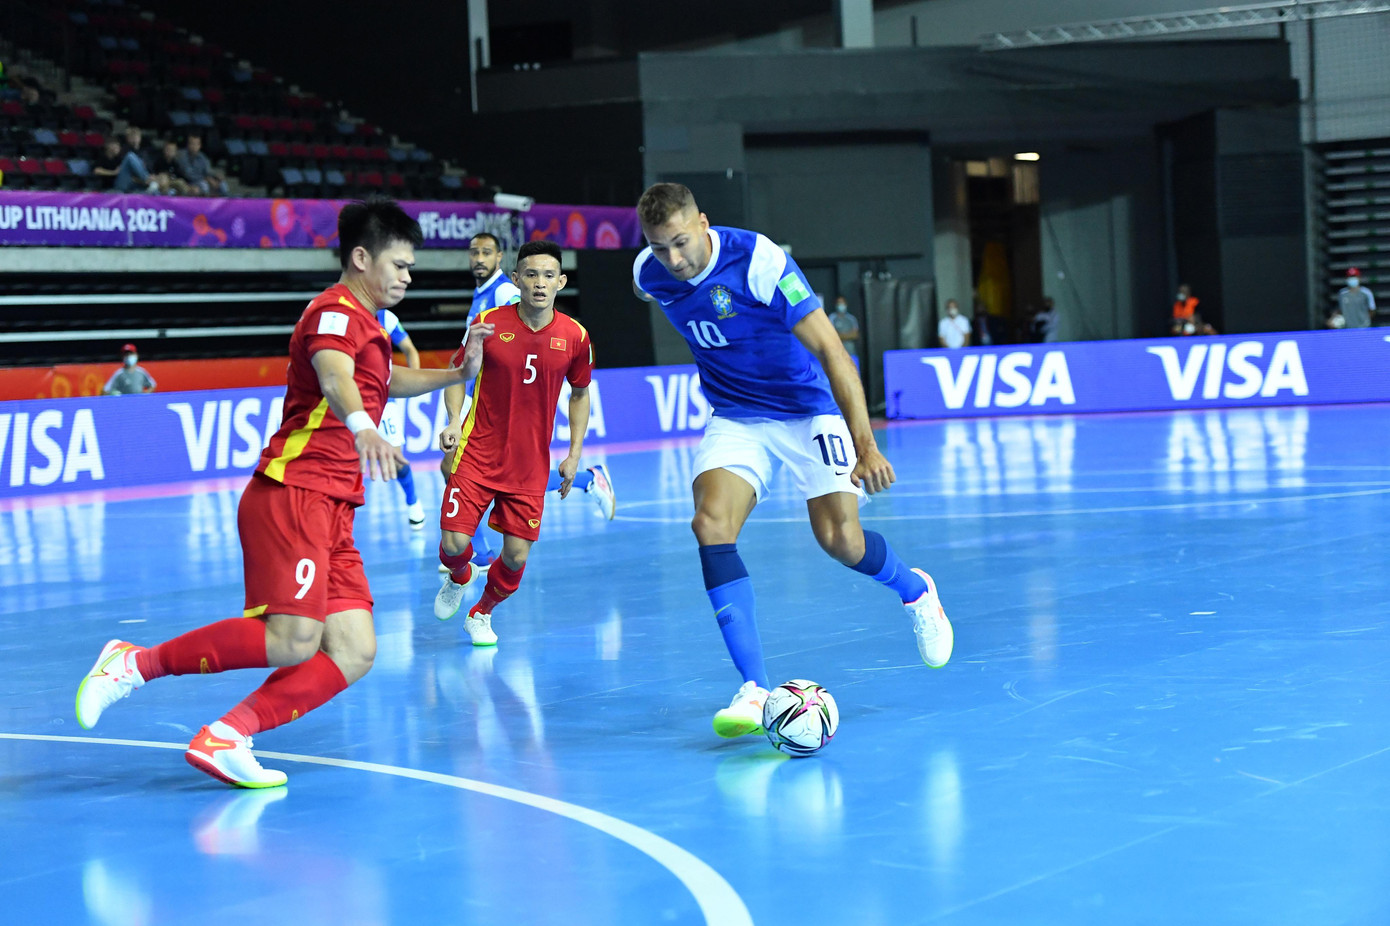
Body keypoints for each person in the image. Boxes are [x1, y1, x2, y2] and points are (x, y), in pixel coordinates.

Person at [73, 199, 492, 788]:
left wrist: (457, 373)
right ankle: (134, 663)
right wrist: (363, 427)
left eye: (411, 267)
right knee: (292, 639)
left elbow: (385, 381)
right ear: (361, 257)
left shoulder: (369, 327)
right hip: (295, 491)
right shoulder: (333, 313)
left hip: (336, 505)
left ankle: (227, 736)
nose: (406, 276)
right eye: (399, 264)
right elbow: (335, 378)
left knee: (354, 649)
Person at [631, 182, 953, 740]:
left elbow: (832, 350)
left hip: (807, 412)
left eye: (681, 243)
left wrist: (866, 444)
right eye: (660, 248)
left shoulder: (758, 261)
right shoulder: (649, 274)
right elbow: (660, 282)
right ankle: (754, 688)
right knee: (710, 524)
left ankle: (916, 590)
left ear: (704, 223)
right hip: (736, 416)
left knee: (843, 543)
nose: (674, 260)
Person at [433, 240, 600, 646]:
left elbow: (580, 394)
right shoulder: (488, 323)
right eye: (530, 274)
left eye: (548, 275)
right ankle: (460, 575)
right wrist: (454, 421)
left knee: (515, 559)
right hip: (477, 452)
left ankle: (481, 612)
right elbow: (457, 374)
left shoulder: (575, 336)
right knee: (453, 545)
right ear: (516, 279)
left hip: (528, 467)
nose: (539, 283)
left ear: (560, 282)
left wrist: (574, 454)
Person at [376, 307, 426, 528]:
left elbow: (410, 350)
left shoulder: (386, 317)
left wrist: (413, 383)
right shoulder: (346, 312)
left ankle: (413, 503)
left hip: (384, 399)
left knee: (396, 460)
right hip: (351, 398)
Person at [92, 136, 162, 194]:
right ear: (107, 146)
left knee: (153, 190)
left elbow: (130, 174)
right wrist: (113, 172)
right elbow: (97, 170)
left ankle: (150, 182)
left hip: (128, 183)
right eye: (114, 145)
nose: (117, 148)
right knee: (130, 156)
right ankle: (148, 179)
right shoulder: (103, 157)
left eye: (117, 145)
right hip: (114, 186)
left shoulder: (119, 158)